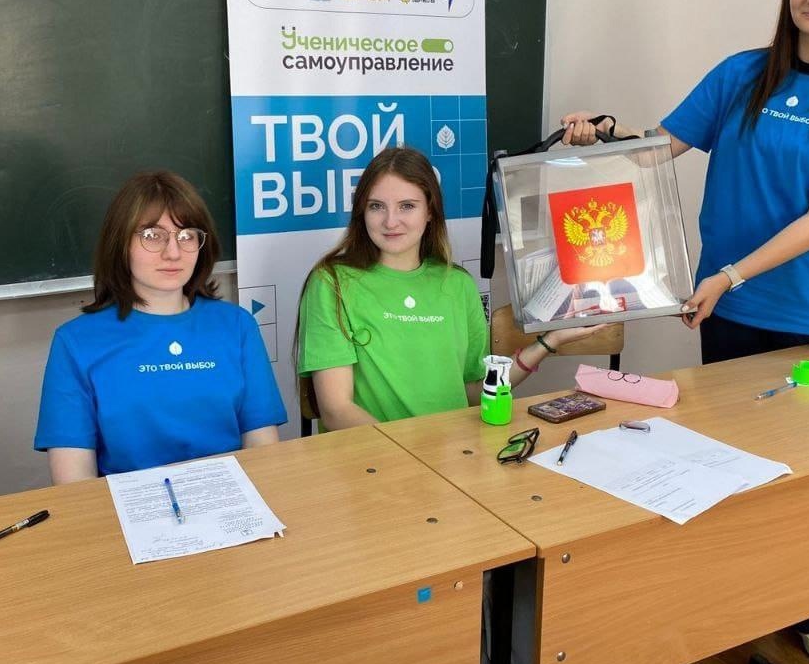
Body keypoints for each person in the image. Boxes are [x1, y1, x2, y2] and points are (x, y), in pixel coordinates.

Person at [563, 0, 809, 664]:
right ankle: (733, 593)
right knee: (726, 455)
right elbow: (658, 150)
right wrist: (598, 141)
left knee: (808, 466)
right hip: (729, 307)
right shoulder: (744, 74)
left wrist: (729, 276)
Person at [297, 146, 605, 430]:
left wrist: (550, 340)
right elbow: (337, 411)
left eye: (407, 206)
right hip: (378, 461)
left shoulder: (458, 284)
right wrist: (413, 460)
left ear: (430, 211)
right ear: (361, 211)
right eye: (376, 206)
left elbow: (473, 391)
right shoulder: (332, 282)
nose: (391, 221)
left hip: (454, 455)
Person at [35, 171, 285, 482]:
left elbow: (263, 451)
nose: (173, 252)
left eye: (187, 235)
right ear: (120, 243)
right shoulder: (76, 341)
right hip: (126, 505)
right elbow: (74, 482)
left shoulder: (237, 326)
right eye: (153, 235)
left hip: (229, 497)